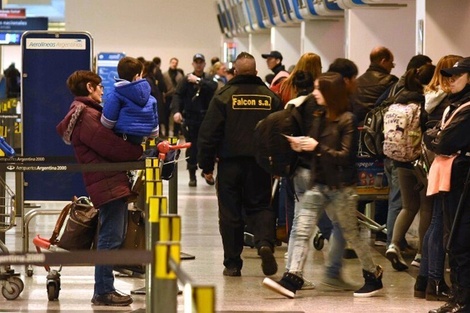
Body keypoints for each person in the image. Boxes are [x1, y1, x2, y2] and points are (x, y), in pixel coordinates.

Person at [263, 72, 383, 299]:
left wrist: (315, 147)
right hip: (318, 184)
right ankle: (292, 278)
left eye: (318, 89)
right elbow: (317, 149)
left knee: (351, 233)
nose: (314, 93)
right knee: (301, 230)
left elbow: (344, 156)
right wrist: (301, 146)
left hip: (341, 188)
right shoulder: (319, 115)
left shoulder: (347, 119)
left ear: (330, 92)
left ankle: (373, 275)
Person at [56, 70, 143, 306]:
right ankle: (103, 291)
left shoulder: (87, 112)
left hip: (108, 179)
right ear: (89, 87)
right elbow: (110, 147)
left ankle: (105, 288)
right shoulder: (85, 115)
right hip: (107, 181)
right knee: (109, 237)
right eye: (99, 86)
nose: (103, 90)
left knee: (112, 235)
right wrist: (139, 152)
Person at [198, 51, 282, 277]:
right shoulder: (270, 97)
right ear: (256, 72)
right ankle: (264, 243)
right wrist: (279, 164)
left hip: (230, 165)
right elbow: (280, 131)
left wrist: (205, 165)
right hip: (260, 165)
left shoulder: (224, 96)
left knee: (230, 213)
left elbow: (208, 134)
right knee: (261, 206)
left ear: (235, 72)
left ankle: (233, 263)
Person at [414, 55, 461, 302]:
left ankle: (425, 281)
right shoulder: (449, 102)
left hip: (431, 165)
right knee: (441, 223)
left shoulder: (430, 99)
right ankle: (434, 280)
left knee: (434, 221)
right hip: (446, 165)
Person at [426, 57, 470, 313]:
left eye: (457, 76)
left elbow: (442, 142)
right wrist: (438, 137)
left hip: (463, 181)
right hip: (451, 180)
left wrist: (438, 138)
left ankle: (463, 300)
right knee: (451, 238)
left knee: (460, 239)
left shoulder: (465, 109)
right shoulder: (454, 106)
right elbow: (432, 134)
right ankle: (457, 295)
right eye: (449, 76)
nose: (451, 81)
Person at [385, 64, 436, 272]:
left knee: (407, 206)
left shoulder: (396, 102)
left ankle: (394, 244)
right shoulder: (423, 104)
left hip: (399, 161)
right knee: (426, 207)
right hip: (419, 162)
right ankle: (421, 254)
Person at [170, 53, 218, 186]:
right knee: (192, 147)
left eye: (201, 62)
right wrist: (176, 111)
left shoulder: (208, 79)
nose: (198, 64)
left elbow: (213, 87)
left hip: (206, 118)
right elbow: (177, 95)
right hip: (190, 118)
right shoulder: (186, 80)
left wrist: (197, 81)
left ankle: (207, 171)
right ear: (193, 64)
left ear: (204, 64)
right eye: (196, 62)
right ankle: (192, 174)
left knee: (207, 146)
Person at [101, 56, 159, 145]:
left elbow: (107, 123)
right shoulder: (150, 98)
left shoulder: (115, 94)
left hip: (120, 142)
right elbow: (154, 132)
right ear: (137, 76)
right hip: (139, 144)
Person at [163, 57, 185, 137]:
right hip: (168, 97)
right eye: (173, 62)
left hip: (177, 98)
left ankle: (176, 133)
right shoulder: (165, 74)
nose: (174, 64)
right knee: (166, 116)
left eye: (176, 63)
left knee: (177, 115)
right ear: (170, 63)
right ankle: (166, 132)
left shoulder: (180, 75)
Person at [151, 57, 169, 137]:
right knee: (159, 114)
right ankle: (160, 133)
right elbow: (162, 84)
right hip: (157, 96)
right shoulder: (158, 71)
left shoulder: (149, 76)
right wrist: (164, 90)